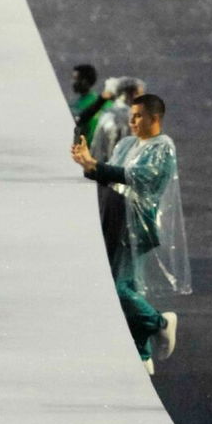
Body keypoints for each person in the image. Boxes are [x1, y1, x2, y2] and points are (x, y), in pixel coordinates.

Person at [71, 94, 191, 375]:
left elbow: (138, 176)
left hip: (135, 224)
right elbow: (112, 175)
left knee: (117, 288)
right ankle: (142, 352)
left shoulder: (162, 147)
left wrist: (97, 166)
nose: (132, 121)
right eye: (132, 116)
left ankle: (158, 323)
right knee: (131, 286)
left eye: (138, 116)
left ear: (155, 118)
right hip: (117, 217)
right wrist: (88, 166)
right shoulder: (128, 144)